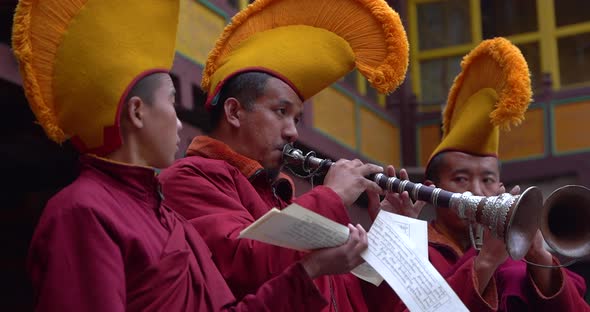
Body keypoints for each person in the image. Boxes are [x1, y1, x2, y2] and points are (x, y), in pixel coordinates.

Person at [16, 0, 369, 310]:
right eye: (171, 101)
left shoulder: (167, 218)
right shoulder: (84, 210)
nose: (180, 119)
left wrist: (314, 269)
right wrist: (330, 199)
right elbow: (245, 264)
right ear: (138, 113)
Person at [159, 0, 410, 311]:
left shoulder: (284, 200)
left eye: (297, 119)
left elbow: (367, 302)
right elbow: (242, 265)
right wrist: (331, 196)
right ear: (234, 111)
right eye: (281, 112)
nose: (293, 132)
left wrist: (391, 232)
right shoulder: (188, 179)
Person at [383, 37, 589, 311]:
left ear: (500, 189)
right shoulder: (413, 248)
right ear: (433, 189)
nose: (476, 191)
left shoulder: (516, 255)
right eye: (460, 179)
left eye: (487, 180)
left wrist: (538, 253)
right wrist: (486, 262)